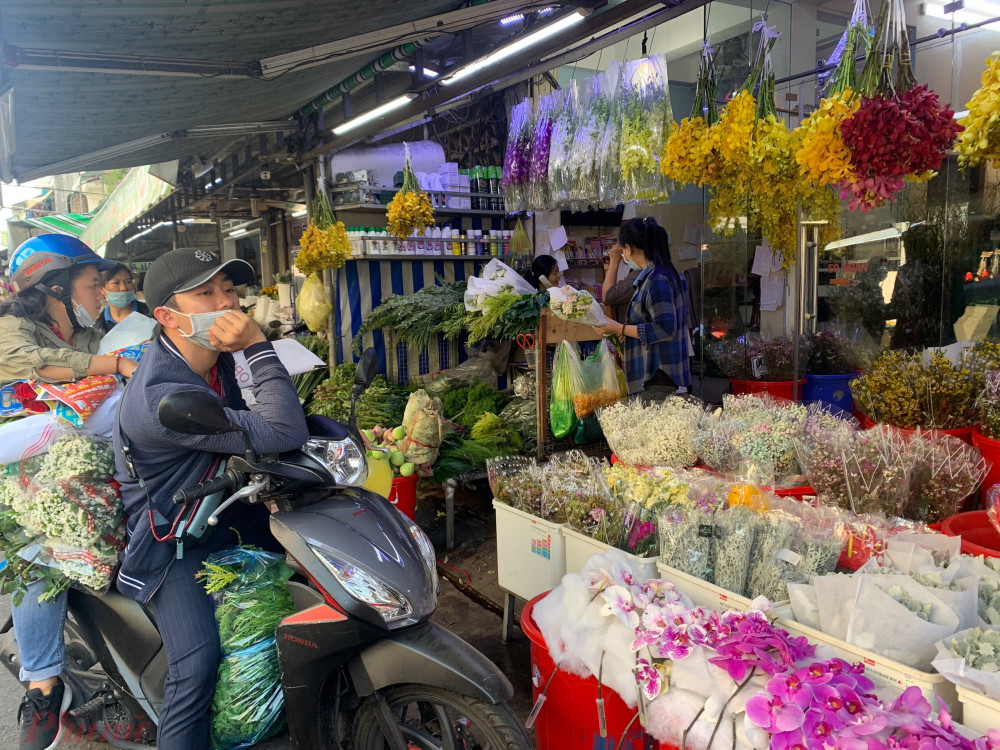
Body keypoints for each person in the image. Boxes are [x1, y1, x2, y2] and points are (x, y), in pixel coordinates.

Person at [113, 247, 309, 750]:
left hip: (226, 506)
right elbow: (282, 429)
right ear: (166, 316)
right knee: (197, 664)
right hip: (175, 539)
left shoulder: (212, 361)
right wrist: (258, 346)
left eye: (229, 289)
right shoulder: (163, 395)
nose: (228, 305)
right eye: (206, 293)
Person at [0, 234, 137, 750]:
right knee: (42, 557)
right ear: (55, 287)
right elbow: (39, 367)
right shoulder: (12, 327)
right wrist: (117, 365)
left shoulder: (86, 330)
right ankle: (43, 687)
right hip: (21, 462)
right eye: (94, 284)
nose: (103, 293)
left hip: (79, 455)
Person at [593, 217, 691, 395]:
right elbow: (653, 321)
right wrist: (627, 331)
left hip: (659, 379)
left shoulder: (657, 280)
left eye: (623, 248)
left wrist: (620, 328)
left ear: (628, 248)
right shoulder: (663, 274)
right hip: (660, 377)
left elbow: (665, 328)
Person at [95, 263, 150, 333]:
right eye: (116, 283)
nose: (123, 288)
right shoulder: (98, 325)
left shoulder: (150, 314)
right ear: (102, 290)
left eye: (128, 282)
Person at [602, 243, 641, 322]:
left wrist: (614, 261)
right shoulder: (637, 271)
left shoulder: (640, 274)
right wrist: (608, 269)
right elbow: (613, 291)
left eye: (624, 248)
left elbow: (608, 297)